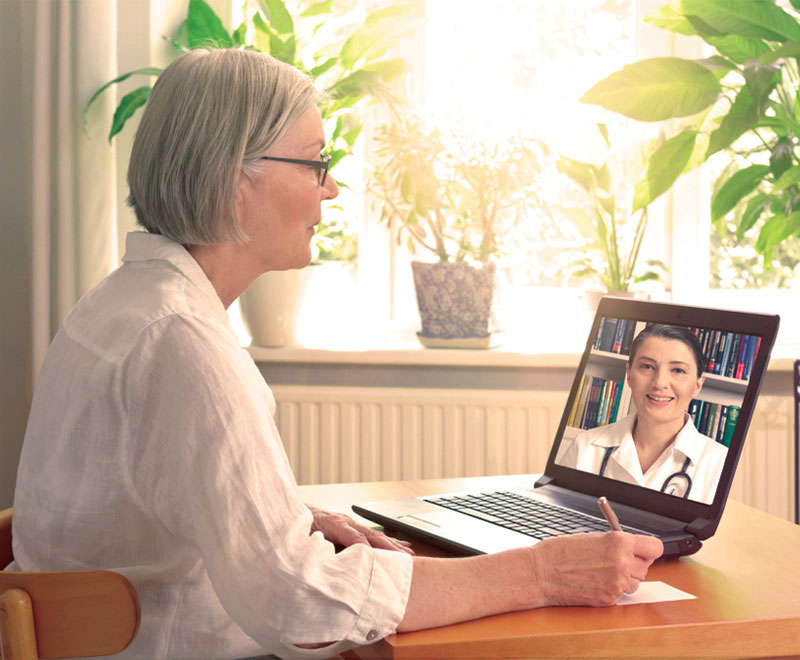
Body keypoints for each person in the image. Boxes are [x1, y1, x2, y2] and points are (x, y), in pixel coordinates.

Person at [10, 48, 663, 659]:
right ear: (236, 179)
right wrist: (542, 572)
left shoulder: (123, 304)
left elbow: (155, 508)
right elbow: (301, 603)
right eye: (316, 163)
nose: (331, 190)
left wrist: (294, 520)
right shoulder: (180, 342)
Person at [558, 324, 728, 504]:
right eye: (647, 366)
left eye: (678, 370)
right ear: (629, 375)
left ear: (697, 385)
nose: (659, 383)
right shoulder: (585, 447)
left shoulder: (720, 463)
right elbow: (557, 525)